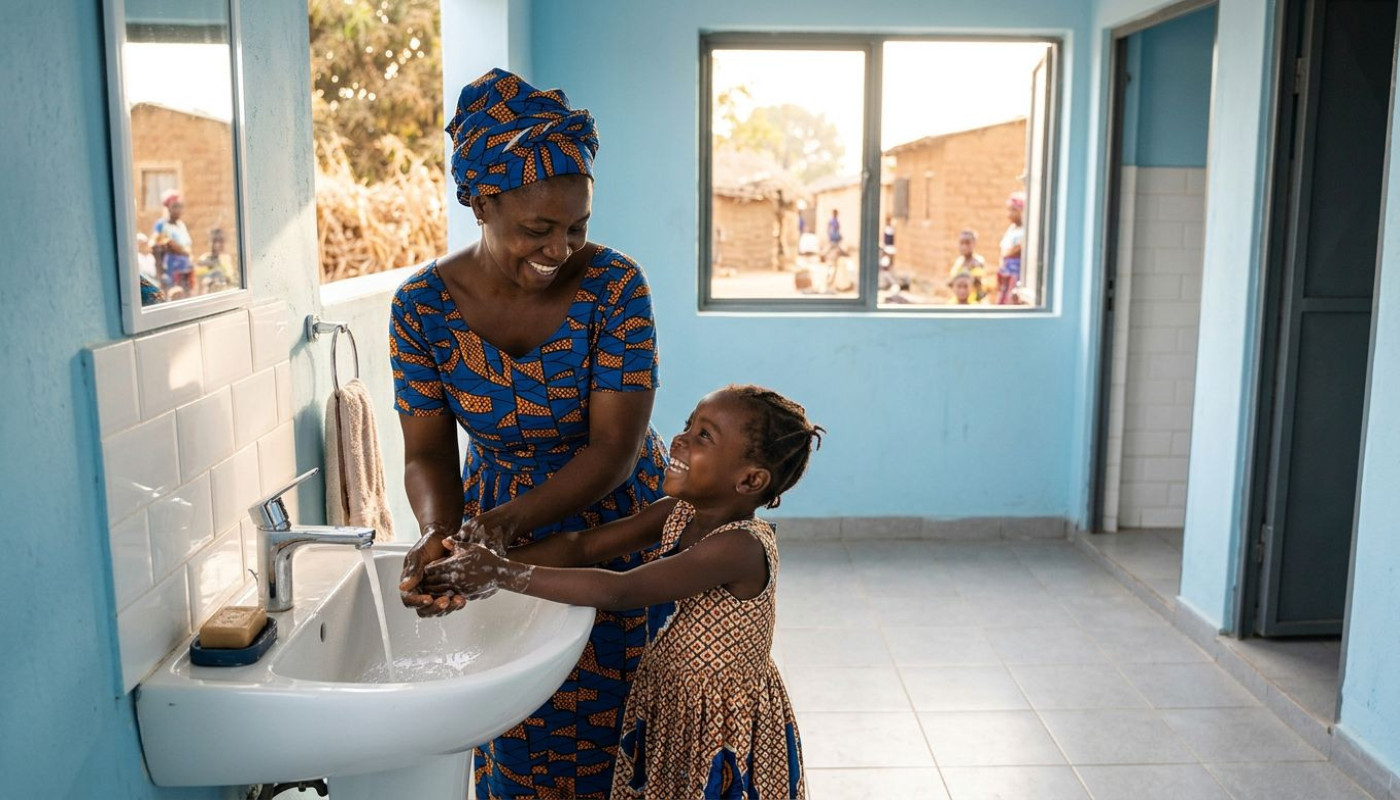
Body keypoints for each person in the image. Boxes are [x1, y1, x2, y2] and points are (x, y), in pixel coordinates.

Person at [389, 68, 669, 799]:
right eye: (537, 229)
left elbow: (613, 450)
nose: (560, 247)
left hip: (615, 523)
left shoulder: (615, 287)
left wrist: (498, 531)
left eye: (577, 226)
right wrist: (438, 532)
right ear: (481, 203)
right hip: (495, 519)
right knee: (520, 725)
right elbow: (425, 451)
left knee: (627, 732)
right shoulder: (420, 307)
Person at [422, 385, 822, 800]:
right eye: (688, 425)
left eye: (704, 435)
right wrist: (476, 567)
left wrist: (502, 573)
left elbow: (621, 590)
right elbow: (583, 546)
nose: (680, 439)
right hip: (670, 701)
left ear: (750, 480)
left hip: (720, 721)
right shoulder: (678, 513)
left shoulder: (740, 546)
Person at [152, 190, 193, 297]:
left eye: (180, 206)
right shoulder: (162, 225)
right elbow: (155, 245)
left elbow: (186, 247)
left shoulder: (181, 225)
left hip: (185, 268)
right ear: (168, 208)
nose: (178, 210)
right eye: (174, 206)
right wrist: (160, 273)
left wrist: (180, 249)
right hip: (171, 269)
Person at [998, 192, 1026, 305]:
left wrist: (1007, 254)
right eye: (1009, 210)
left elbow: (1017, 248)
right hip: (1005, 276)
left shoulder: (1025, 231)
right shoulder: (1011, 229)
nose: (1009, 214)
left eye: (1013, 210)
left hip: (1016, 276)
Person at [950, 229, 987, 303]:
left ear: (974, 244)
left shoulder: (978, 263)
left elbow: (981, 290)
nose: (964, 246)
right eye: (961, 243)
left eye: (967, 243)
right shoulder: (958, 263)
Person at [195, 228, 235, 294]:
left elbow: (229, 278)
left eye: (220, 241)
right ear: (209, 242)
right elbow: (200, 281)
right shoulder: (203, 258)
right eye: (214, 241)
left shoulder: (226, 258)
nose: (217, 245)